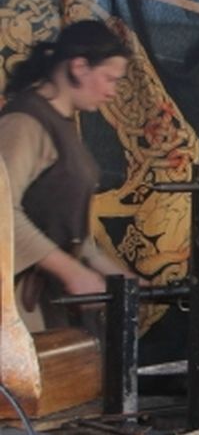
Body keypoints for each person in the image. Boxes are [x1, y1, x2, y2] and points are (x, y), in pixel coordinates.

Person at [0, 20, 135, 331]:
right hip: (19, 309)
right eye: (110, 79)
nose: (112, 92)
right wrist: (72, 272)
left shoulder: (62, 124)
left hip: (52, 304)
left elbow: (71, 233)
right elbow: (3, 212)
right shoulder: (24, 122)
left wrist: (116, 276)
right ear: (79, 67)